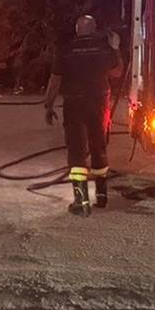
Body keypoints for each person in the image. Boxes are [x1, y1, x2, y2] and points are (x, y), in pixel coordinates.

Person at [43, 14, 122, 216]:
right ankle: (102, 197)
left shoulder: (67, 49)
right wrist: (115, 48)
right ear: (94, 28)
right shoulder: (103, 48)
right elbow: (117, 73)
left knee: (77, 151)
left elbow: (55, 81)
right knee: (99, 147)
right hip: (98, 104)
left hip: (74, 104)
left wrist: (48, 105)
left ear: (77, 29)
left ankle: (81, 201)